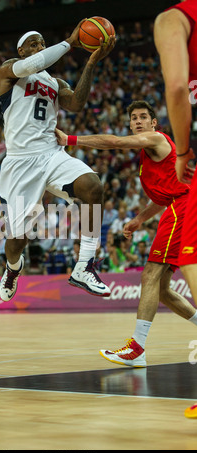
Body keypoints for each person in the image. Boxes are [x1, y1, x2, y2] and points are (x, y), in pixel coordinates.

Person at [56, 100, 197, 367]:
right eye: (133, 118)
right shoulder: (148, 156)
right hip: (181, 206)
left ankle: (137, 348)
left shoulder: (155, 139)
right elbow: (161, 197)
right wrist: (139, 219)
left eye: (143, 117)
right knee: (162, 289)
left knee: (150, 275)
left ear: (154, 123)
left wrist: (71, 139)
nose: (138, 121)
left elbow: (116, 143)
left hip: (186, 206)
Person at [0, 22, 115, 302]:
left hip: (51, 154)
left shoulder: (54, 82)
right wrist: (70, 42)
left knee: (93, 186)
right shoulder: (9, 71)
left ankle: (85, 265)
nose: (39, 47)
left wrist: (90, 63)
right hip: (20, 163)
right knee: (16, 241)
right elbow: (34, 63)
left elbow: (76, 104)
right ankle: (13, 267)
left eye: (42, 43)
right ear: (21, 50)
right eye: (34, 44)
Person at [154, 0, 197, 419]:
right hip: (166, 207)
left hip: (192, 178)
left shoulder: (173, 17)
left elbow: (178, 87)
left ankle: (135, 346)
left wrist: (183, 151)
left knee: (193, 263)